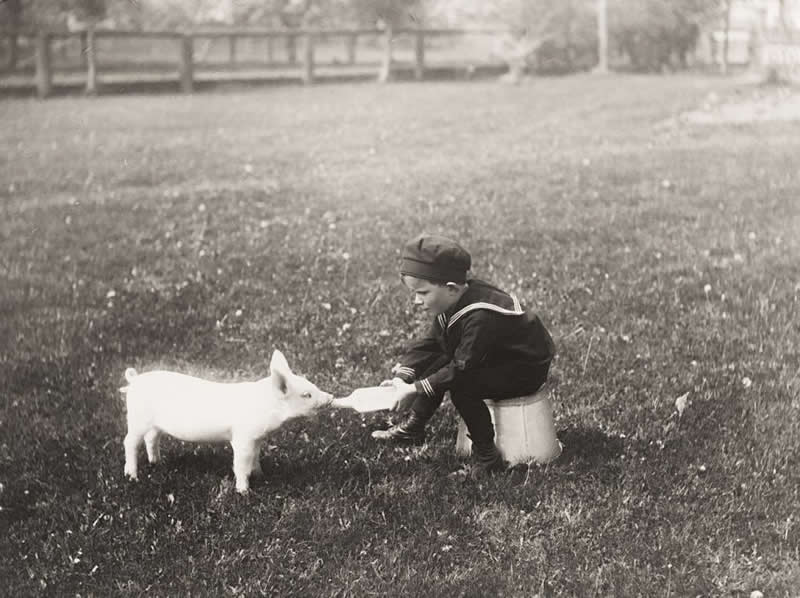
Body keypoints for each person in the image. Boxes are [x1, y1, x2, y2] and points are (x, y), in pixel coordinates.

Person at [373, 234, 555, 475]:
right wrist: (404, 379)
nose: (416, 301)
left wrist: (417, 389)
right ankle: (414, 427)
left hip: (522, 368)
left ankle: (488, 456)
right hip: (493, 356)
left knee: (463, 387)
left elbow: (462, 370)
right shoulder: (454, 299)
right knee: (441, 358)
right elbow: (431, 344)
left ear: (450, 288)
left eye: (422, 293)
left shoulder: (481, 316)